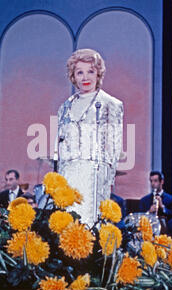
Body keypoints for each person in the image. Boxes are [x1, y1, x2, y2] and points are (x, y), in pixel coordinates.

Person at [55, 48, 123, 228]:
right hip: (69, 178)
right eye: (80, 72)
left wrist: (106, 183)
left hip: (94, 179)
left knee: (90, 230)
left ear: (98, 73)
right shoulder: (64, 107)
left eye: (90, 71)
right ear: (73, 76)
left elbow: (113, 150)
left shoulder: (111, 104)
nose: (85, 78)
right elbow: (61, 148)